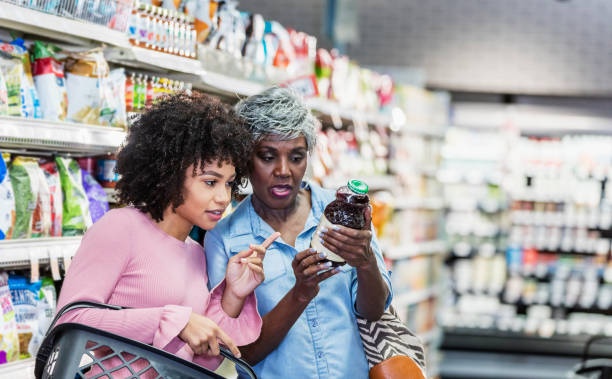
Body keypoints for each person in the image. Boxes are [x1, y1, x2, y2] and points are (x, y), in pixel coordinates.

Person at [56, 93, 276, 377]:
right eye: (210, 182)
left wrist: (233, 295)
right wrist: (174, 321)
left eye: (230, 183)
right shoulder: (120, 228)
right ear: (169, 173)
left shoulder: (195, 252)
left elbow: (200, 358)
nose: (223, 197)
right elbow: (70, 322)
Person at [205, 87, 393, 378]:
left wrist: (366, 262)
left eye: (296, 157)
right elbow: (241, 353)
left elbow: (374, 311)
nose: (283, 170)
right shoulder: (226, 239)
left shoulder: (342, 214)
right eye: (267, 157)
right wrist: (300, 293)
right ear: (244, 159)